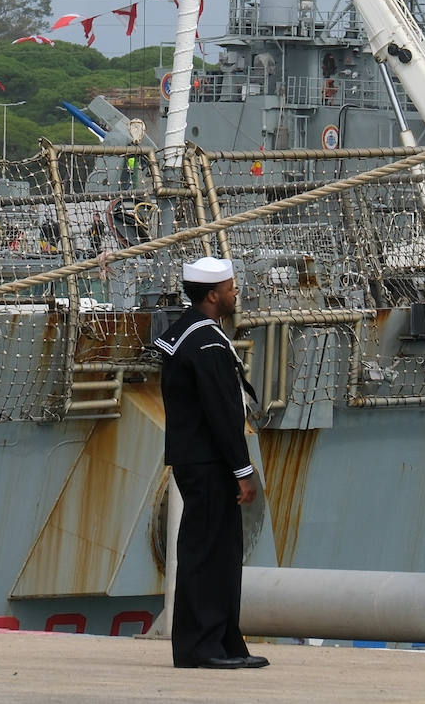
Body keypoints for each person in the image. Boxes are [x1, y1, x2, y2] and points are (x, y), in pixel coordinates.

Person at [155, 255, 269, 670]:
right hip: (209, 463)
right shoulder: (205, 343)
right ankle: (201, 647)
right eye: (229, 288)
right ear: (212, 294)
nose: (235, 293)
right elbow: (223, 414)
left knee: (217, 552)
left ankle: (221, 642)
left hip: (199, 460)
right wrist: (243, 472)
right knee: (208, 553)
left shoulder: (193, 332)